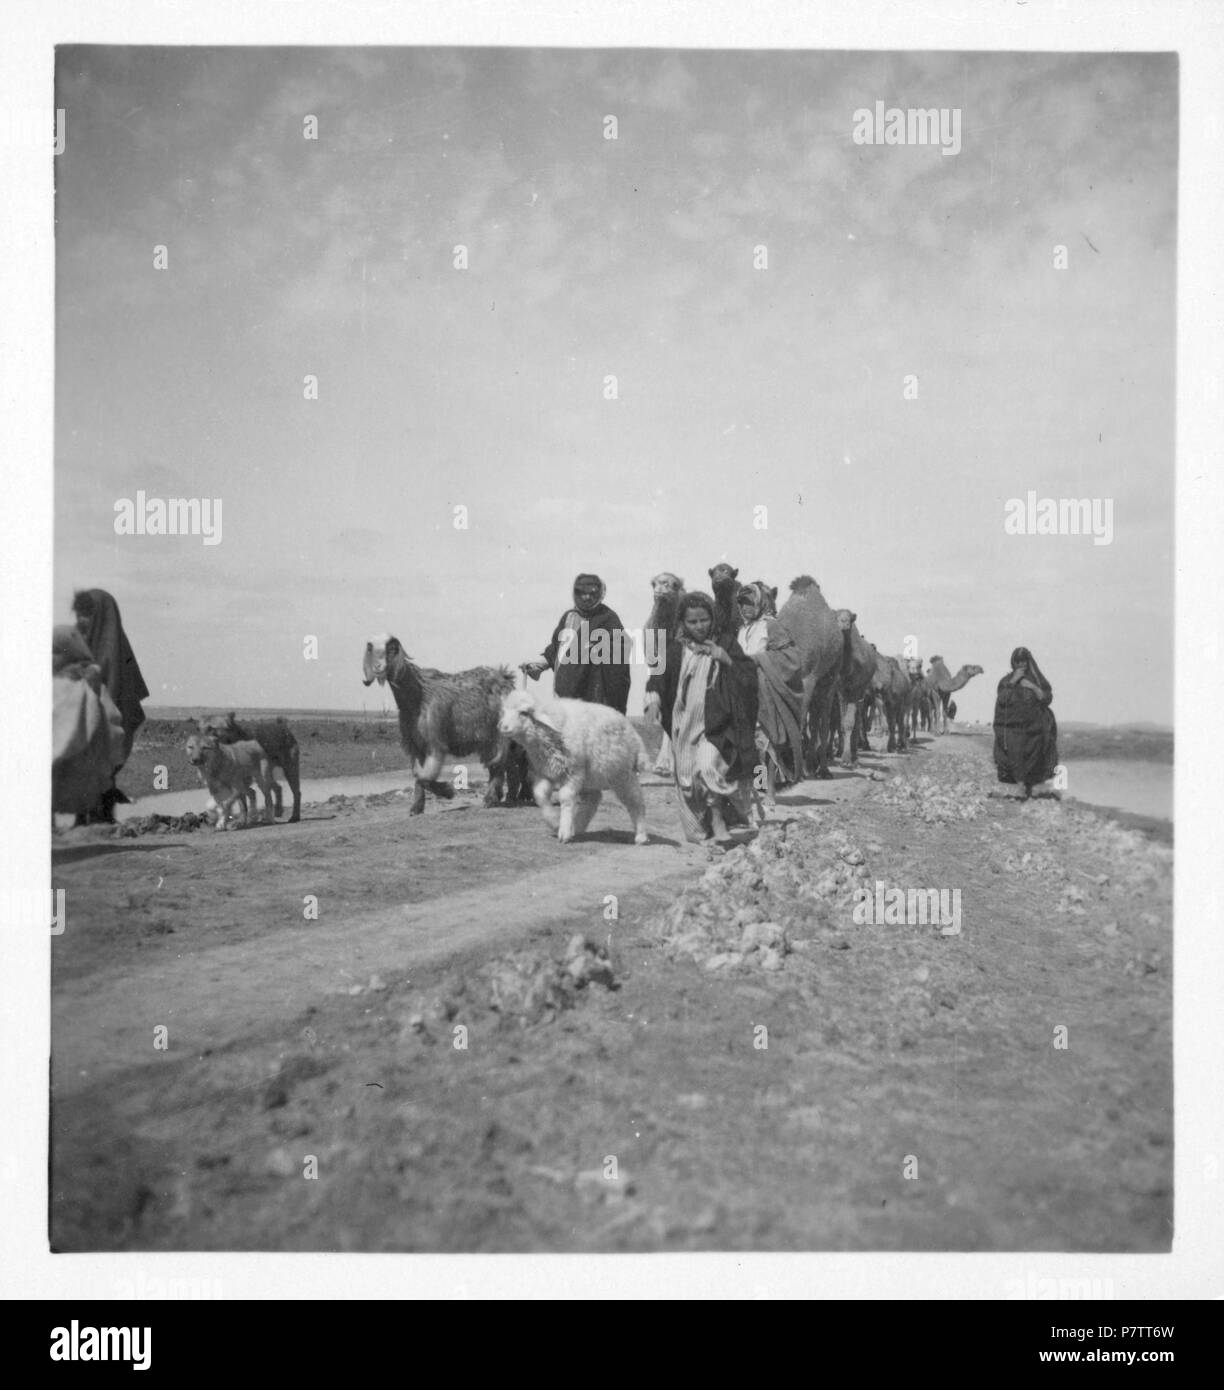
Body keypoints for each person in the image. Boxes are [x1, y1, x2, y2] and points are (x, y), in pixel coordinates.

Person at [645, 590, 759, 844]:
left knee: (706, 767)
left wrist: (725, 658)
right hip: (683, 725)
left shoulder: (726, 642)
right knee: (688, 785)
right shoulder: (675, 649)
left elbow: (749, 676)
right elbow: (657, 677)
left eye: (704, 620)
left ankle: (718, 818)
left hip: (716, 725)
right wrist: (652, 699)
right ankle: (707, 822)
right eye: (692, 622)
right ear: (683, 623)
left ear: (713, 618)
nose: (699, 626)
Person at [70, 589, 149, 821]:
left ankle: (97, 820)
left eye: (85, 614)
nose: (79, 620)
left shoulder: (114, 651)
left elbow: (124, 699)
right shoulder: (82, 646)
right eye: (78, 614)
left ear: (101, 616)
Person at [522, 573, 632, 714]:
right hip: (565, 700)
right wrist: (539, 665)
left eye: (592, 593)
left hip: (594, 701)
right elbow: (556, 648)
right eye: (582, 593)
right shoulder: (569, 617)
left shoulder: (608, 619)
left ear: (601, 594)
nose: (586, 597)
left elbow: (618, 665)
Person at [52, 625, 128, 821]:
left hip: (85, 734)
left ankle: (85, 818)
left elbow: (99, 709)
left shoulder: (87, 674)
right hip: (68, 734)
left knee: (82, 779)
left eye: (56, 652)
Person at [736, 582, 805, 789]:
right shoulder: (742, 630)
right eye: (741, 603)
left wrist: (759, 660)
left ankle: (770, 791)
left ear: (759, 602)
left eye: (749, 603)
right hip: (743, 691)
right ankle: (759, 785)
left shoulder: (771, 625)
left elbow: (791, 658)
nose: (744, 608)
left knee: (766, 741)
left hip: (765, 691)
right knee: (752, 743)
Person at [993, 646, 1059, 798]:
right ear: (1013, 663)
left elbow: (1047, 698)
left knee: (1033, 758)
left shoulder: (1036, 679)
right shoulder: (1006, 680)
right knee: (1016, 756)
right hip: (1012, 727)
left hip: (1034, 728)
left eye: (1024, 662)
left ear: (1029, 662)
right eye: (1018, 662)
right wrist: (1013, 681)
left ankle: (1028, 787)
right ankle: (1021, 786)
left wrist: (1033, 687)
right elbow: (1002, 699)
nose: (1021, 665)